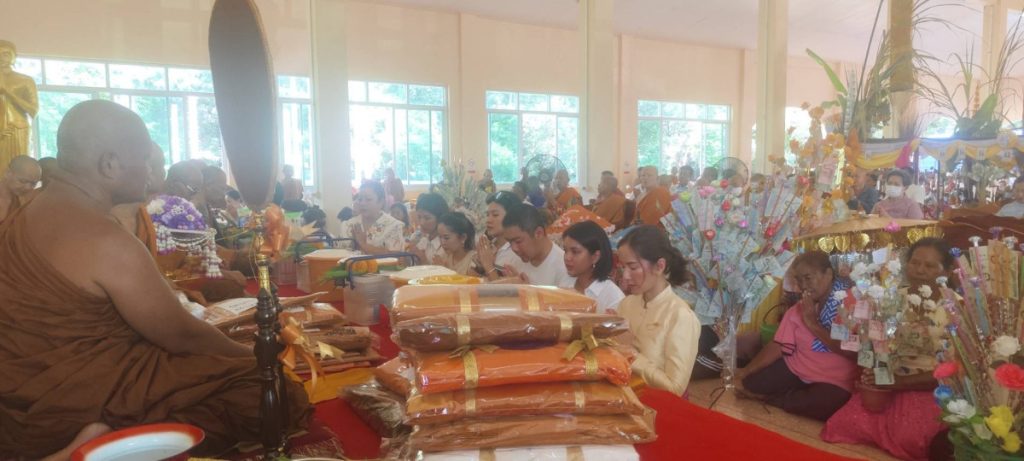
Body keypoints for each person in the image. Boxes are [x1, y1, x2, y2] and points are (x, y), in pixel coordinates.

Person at [0, 100, 309, 459]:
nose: (149, 171)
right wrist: (259, 357)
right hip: (76, 406)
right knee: (271, 392)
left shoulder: (26, 213)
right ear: (109, 164)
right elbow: (181, 335)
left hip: (18, 409)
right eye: (145, 159)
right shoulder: (104, 239)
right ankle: (106, 444)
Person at [821, 238, 953, 460]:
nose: (920, 270)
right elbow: (875, 343)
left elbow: (954, 370)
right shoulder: (892, 298)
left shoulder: (955, 308)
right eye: (915, 262)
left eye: (930, 266)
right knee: (841, 424)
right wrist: (872, 373)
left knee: (910, 439)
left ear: (946, 271)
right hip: (886, 382)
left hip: (930, 388)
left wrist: (897, 383)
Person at [737, 251, 858, 421]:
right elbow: (778, 346)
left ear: (828, 274)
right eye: (799, 280)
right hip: (797, 367)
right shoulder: (799, 308)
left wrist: (812, 323)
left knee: (829, 404)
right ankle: (788, 395)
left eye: (808, 278)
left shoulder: (851, 304)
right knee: (751, 384)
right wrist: (746, 370)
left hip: (835, 378)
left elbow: (851, 352)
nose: (803, 285)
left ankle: (779, 399)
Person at [616, 225, 700, 395]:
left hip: (658, 406)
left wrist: (631, 354)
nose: (625, 276)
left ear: (659, 266)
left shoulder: (680, 316)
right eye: (623, 267)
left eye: (633, 267)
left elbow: (675, 388)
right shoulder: (626, 304)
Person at [501, 203, 573, 286]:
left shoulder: (565, 269)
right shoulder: (516, 259)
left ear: (538, 233)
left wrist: (525, 290)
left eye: (518, 241)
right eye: (510, 242)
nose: (514, 249)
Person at [562, 220, 624, 314]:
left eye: (575, 252)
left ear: (595, 257)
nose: (567, 257)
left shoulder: (613, 297)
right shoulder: (565, 284)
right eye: (565, 251)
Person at [0, 40, 39, 176]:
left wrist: (7, 92)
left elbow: (33, 110)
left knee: (18, 171)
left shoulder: (25, 80)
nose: (1, 58)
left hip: (17, 129)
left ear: (14, 56)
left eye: (6, 54)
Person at [339, 181, 405, 255]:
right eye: (360, 199)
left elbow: (398, 257)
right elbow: (339, 254)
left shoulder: (393, 226)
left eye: (368, 199)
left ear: (381, 202)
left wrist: (363, 244)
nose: (362, 203)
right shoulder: (348, 225)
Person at [477, 191, 523, 281]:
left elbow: (509, 289)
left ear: (512, 216)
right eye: (487, 215)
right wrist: (479, 264)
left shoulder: (517, 252)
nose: (488, 220)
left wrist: (489, 266)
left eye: (495, 215)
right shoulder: (489, 245)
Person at [408, 192, 449, 265]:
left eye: (427, 218)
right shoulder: (423, 240)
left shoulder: (446, 246)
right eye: (419, 217)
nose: (421, 223)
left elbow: (445, 272)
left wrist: (423, 261)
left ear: (440, 218)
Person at [437, 211, 479, 276]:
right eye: (440, 237)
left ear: (463, 238)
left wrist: (443, 270)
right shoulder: (444, 256)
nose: (442, 243)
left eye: (446, 238)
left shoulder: (474, 261)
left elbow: (469, 282)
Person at [0, 155, 40, 222]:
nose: (28, 188)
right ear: (7, 173)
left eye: (33, 184)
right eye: (23, 181)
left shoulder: (25, 200)